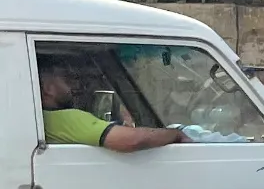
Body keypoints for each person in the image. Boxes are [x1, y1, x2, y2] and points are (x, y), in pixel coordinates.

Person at [38, 58, 185, 151]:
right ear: (48, 88)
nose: (77, 85)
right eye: (68, 80)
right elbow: (132, 140)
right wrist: (176, 134)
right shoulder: (66, 118)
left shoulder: (38, 119)